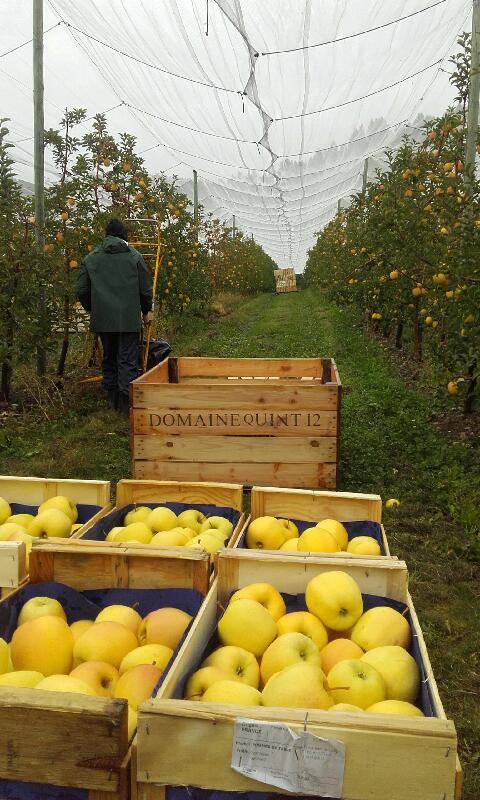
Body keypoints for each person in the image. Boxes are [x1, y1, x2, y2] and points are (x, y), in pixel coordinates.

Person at [77, 218, 153, 415]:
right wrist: (146, 310)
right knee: (127, 360)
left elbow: (82, 289)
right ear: (123, 235)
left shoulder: (92, 257)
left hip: (103, 319)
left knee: (109, 357)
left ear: (106, 235)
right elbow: (145, 289)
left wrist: (94, 307)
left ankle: (111, 401)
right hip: (128, 320)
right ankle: (125, 405)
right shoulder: (134, 256)